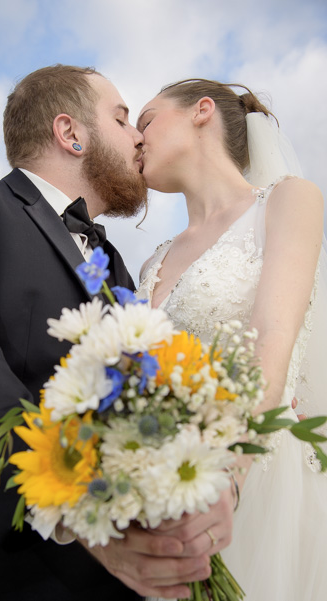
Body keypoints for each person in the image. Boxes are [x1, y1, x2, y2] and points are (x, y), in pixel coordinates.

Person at [0, 66, 235, 601]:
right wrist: (78, 506)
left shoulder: (123, 269)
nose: (139, 136)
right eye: (121, 119)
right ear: (70, 135)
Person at [136, 78, 327, 600]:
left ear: (201, 112)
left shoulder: (287, 201)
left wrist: (228, 480)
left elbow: (273, 341)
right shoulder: (151, 262)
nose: (136, 139)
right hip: (171, 480)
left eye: (146, 120)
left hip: (259, 470)